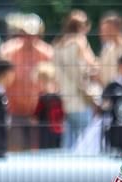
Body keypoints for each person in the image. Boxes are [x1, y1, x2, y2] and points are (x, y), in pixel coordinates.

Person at [0, 13, 53, 151]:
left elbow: (52, 83)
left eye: (32, 34)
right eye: (25, 33)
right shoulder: (8, 51)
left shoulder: (47, 53)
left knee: (35, 156)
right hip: (14, 112)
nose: (29, 38)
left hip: (38, 115)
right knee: (15, 151)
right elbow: (1, 80)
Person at [53, 9, 100, 149]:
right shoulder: (79, 42)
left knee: (69, 142)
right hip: (82, 99)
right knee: (85, 141)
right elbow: (92, 65)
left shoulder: (57, 44)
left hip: (66, 99)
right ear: (83, 26)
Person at [97, 11, 122, 87]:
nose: (103, 33)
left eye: (107, 30)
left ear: (116, 28)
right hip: (108, 92)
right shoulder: (107, 49)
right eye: (102, 30)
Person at [33, 62, 64, 149]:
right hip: (55, 129)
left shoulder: (44, 97)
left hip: (48, 130)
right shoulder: (58, 95)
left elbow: (37, 112)